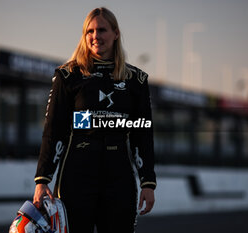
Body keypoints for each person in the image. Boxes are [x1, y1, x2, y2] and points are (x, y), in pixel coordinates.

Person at [33, 7, 156, 233]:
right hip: (78, 173)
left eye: (102, 30)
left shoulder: (136, 80)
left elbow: (142, 133)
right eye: (89, 31)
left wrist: (147, 181)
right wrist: (43, 179)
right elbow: (54, 130)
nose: (95, 36)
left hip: (119, 176)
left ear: (116, 33)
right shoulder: (67, 75)